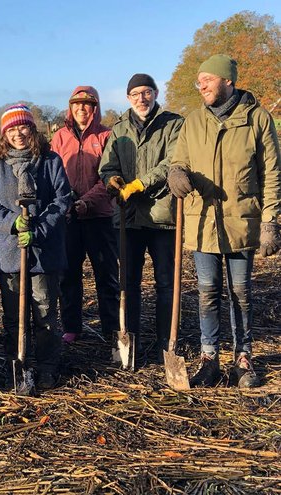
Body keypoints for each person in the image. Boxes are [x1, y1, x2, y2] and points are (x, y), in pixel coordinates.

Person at [168, 54, 281, 388]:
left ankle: (243, 358)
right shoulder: (193, 121)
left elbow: (273, 174)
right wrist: (176, 173)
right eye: (199, 80)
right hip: (202, 222)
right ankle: (209, 358)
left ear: (228, 80)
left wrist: (271, 221)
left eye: (207, 78)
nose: (201, 84)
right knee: (207, 292)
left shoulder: (257, 119)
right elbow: (179, 159)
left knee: (241, 293)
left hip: (240, 222)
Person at [0, 104, 71, 390]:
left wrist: (38, 229)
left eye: (23, 127)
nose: (18, 133)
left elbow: (62, 198)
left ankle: (46, 367)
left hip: (44, 251)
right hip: (8, 250)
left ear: (32, 129)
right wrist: (13, 223)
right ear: (4, 134)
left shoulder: (50, 160)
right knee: (12, 315)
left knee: (44, 312)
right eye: (12, 129)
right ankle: (17, 364)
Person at [98, 74, 184, 361]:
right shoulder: (119, 129)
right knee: (128, 283)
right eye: (135, 94)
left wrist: (140, 183)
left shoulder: (173, 124)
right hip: (128, 218)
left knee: (166, 283)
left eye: (146, 92)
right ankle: (130, 342)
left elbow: (171, 162)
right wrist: (112, 181)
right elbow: (107, 166)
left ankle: (165, 344)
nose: (141, 99)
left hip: (162, 217)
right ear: (128, 98)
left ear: (156, 93)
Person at [50, 86, 119, 344]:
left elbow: (111, 177)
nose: (81, 108)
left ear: (95, 108)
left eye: (87, 104)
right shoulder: (59, 137)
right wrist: (67, 200)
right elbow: (54, 173)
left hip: (99, 216)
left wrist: (87, 202)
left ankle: (111, 327)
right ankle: (71, 326)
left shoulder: (106, 136)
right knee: (68, 275)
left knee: (107, 274)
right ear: (70, 107)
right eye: (76, 104)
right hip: (67, 217)